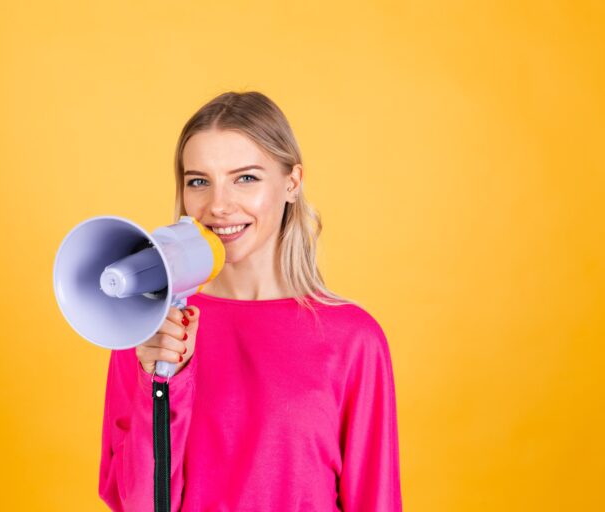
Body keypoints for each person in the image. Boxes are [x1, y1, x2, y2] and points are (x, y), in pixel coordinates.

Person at [98, 91, 403, 511]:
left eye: (246, 178)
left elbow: (375, 499)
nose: (219, 206)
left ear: (292, 183)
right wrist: (160, 383)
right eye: (199, 181)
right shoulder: (148, 326)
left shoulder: (353, 340)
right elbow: (135, 503)